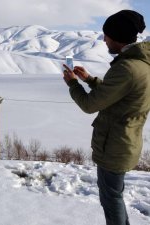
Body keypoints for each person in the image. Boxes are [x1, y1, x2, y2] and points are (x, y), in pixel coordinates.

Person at [62, 10, 150, 225]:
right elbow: (119, 95)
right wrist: (90, 80)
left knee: (111, 200)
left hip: (115, 145)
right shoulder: (141, 64)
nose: (104, 40)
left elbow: (90, 105)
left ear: (117, 37)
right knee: (114, 196)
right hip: (125, 141)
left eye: (107, 35)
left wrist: (72, 83)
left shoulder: (126, 68)